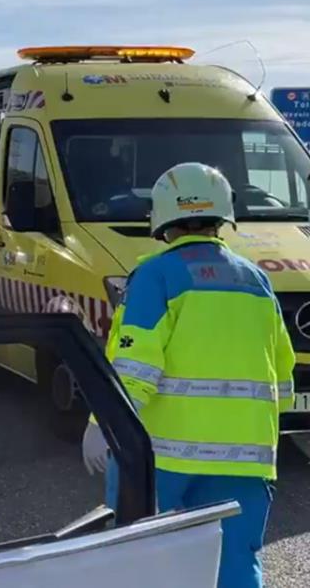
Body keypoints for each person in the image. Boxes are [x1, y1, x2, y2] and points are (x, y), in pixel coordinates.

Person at [82, 162, 295, 588]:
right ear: (222, 216)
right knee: (235, 566)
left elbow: (134, 369)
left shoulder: (155, 276)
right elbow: (283, 377)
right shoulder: (256, 281)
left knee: (143, 565)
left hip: (162, 458)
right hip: (246, 458)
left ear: (162, 219)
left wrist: (99, 424)